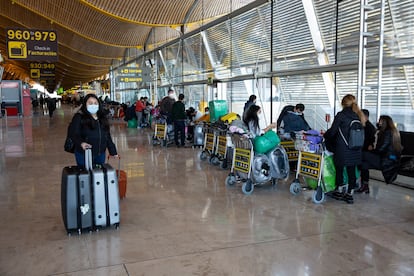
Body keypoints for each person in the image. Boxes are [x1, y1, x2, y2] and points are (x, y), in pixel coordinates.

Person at [324, 94, 366, 204]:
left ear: (343, 103)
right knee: (351, 170)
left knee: (339, 169)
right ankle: (349, 193)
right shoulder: (359, 115)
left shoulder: (341, 115)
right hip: (355, 149)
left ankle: (339, 190)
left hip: (342, 148)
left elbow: (332, 132)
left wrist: (326, 136)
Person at [358, 115, 402, 193]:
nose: (378, 123)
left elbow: (381, 149)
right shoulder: (394, 131)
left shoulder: (387, 133)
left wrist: (371, 150)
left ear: (385, 122)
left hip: (386, 160)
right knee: (363, 164)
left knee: (362, 155)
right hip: (390, 160)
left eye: (380, 121)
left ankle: (358, 183)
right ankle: (365, 186)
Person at [71, 94, 118, 167]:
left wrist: (113, 151)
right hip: (84, 153)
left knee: (98, 176)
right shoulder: (79, 117)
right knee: (86, 176)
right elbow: (74, 134)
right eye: (90, 103)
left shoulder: (102, 118)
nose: (93, 105)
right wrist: (81, 143)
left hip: (100, 154)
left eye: (95, 103)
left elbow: (107, 135)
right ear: (85, 105)